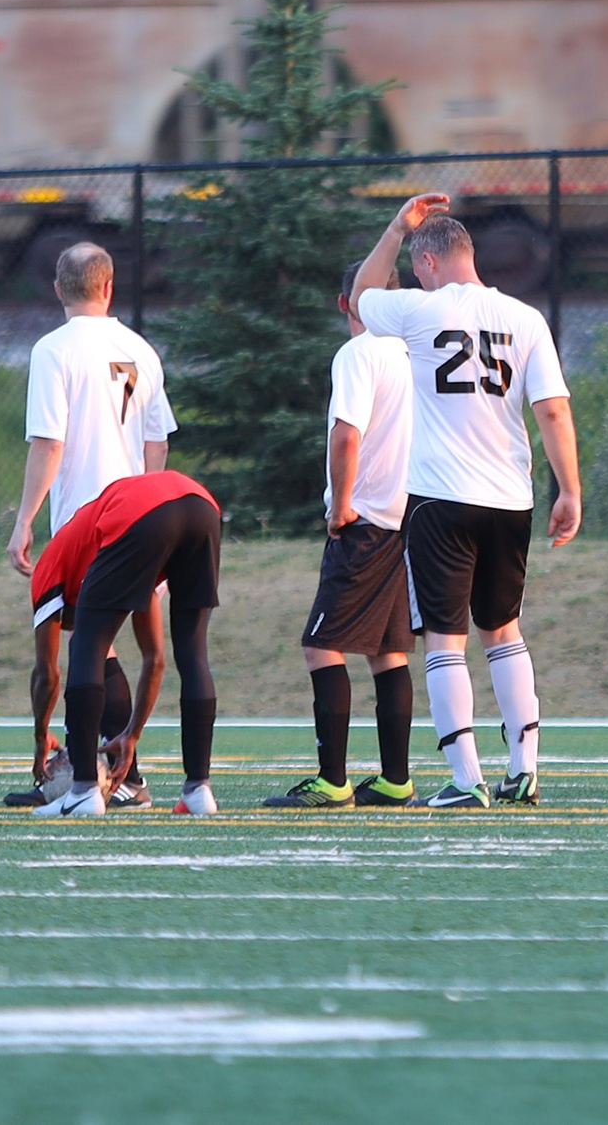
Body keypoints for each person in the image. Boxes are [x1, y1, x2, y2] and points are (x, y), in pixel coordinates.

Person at [351, 194, 579, 810]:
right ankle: (524, 770)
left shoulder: (420, 309)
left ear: (427, 261)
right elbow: (553, 410)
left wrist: (395, 228)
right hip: (509, 499)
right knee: (504, 631)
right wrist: (570, 488)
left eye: (417, 264)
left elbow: (361, 294)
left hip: (441, 499)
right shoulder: (525, 317)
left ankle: (466, 778)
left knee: (445, 640)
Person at [4, 242, 175, 808]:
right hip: (140, 518)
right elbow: (156, 442)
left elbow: (48, 442)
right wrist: (153, 511)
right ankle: (122, 775)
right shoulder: (140, 349)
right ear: (109, 286)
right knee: (105, 647)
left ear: (58, 289)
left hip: (86, 523)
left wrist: (24, 520)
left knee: (88, 647)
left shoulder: (53, 350)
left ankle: (105, 778)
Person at [266, 264, 420, 810]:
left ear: (343, 302)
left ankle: (333, 781)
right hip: (411, 521)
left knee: (321, 645)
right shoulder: (415, 353)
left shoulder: (360, 352)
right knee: (388, 651)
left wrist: (341, 505)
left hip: (367, 521)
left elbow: (346, 436)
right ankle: (396, 780)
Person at [33, 468, 224, 817]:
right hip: (202, 505)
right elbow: (155, 659)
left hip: (142, 512)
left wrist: (40, 735)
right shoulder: (115, 556)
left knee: (86, 642)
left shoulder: (49, 568)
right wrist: (131, 733)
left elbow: (47, 674)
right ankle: (199, 790)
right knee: (193, 653)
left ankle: (83, 791)